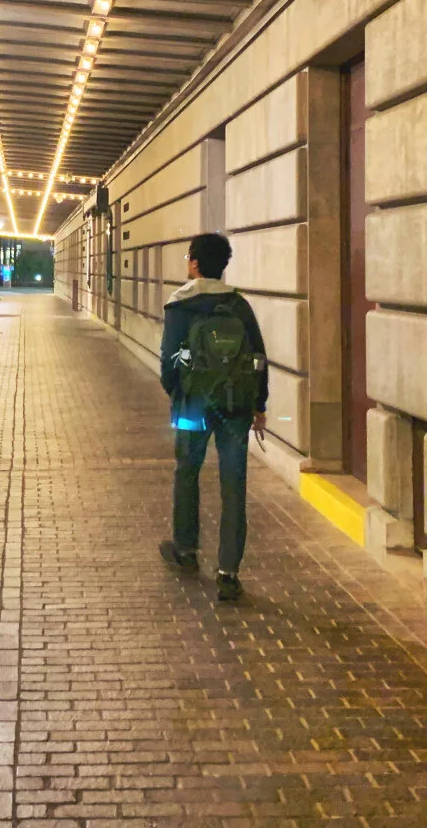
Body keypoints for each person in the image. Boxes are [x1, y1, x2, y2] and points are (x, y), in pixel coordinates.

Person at [157, 232, 268, 602]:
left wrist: (178, 393)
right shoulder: (239, 305)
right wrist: (258, 405)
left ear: (194, 263)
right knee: (234, 483)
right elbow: (258, 358)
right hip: (234, 408)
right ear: (223, 266)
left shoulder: (180, 306)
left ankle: (186, 550)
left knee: (187, 472)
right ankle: (228, 573)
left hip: (193, 407)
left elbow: (169, 361)